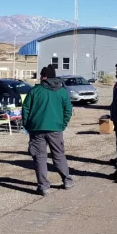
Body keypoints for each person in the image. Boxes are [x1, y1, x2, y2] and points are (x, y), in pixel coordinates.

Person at [22, 65, 74, 196]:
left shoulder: (35, 91)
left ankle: (43, 186)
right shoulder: (61, 91)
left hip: (37, 129)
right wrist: (62, 125)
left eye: (41, 75)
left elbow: (26, 109)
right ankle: (67, 180)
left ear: (44, 76)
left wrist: (27, 125)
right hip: (55, 129)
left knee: (40, 157)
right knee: (59, 155)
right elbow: (68, 110)